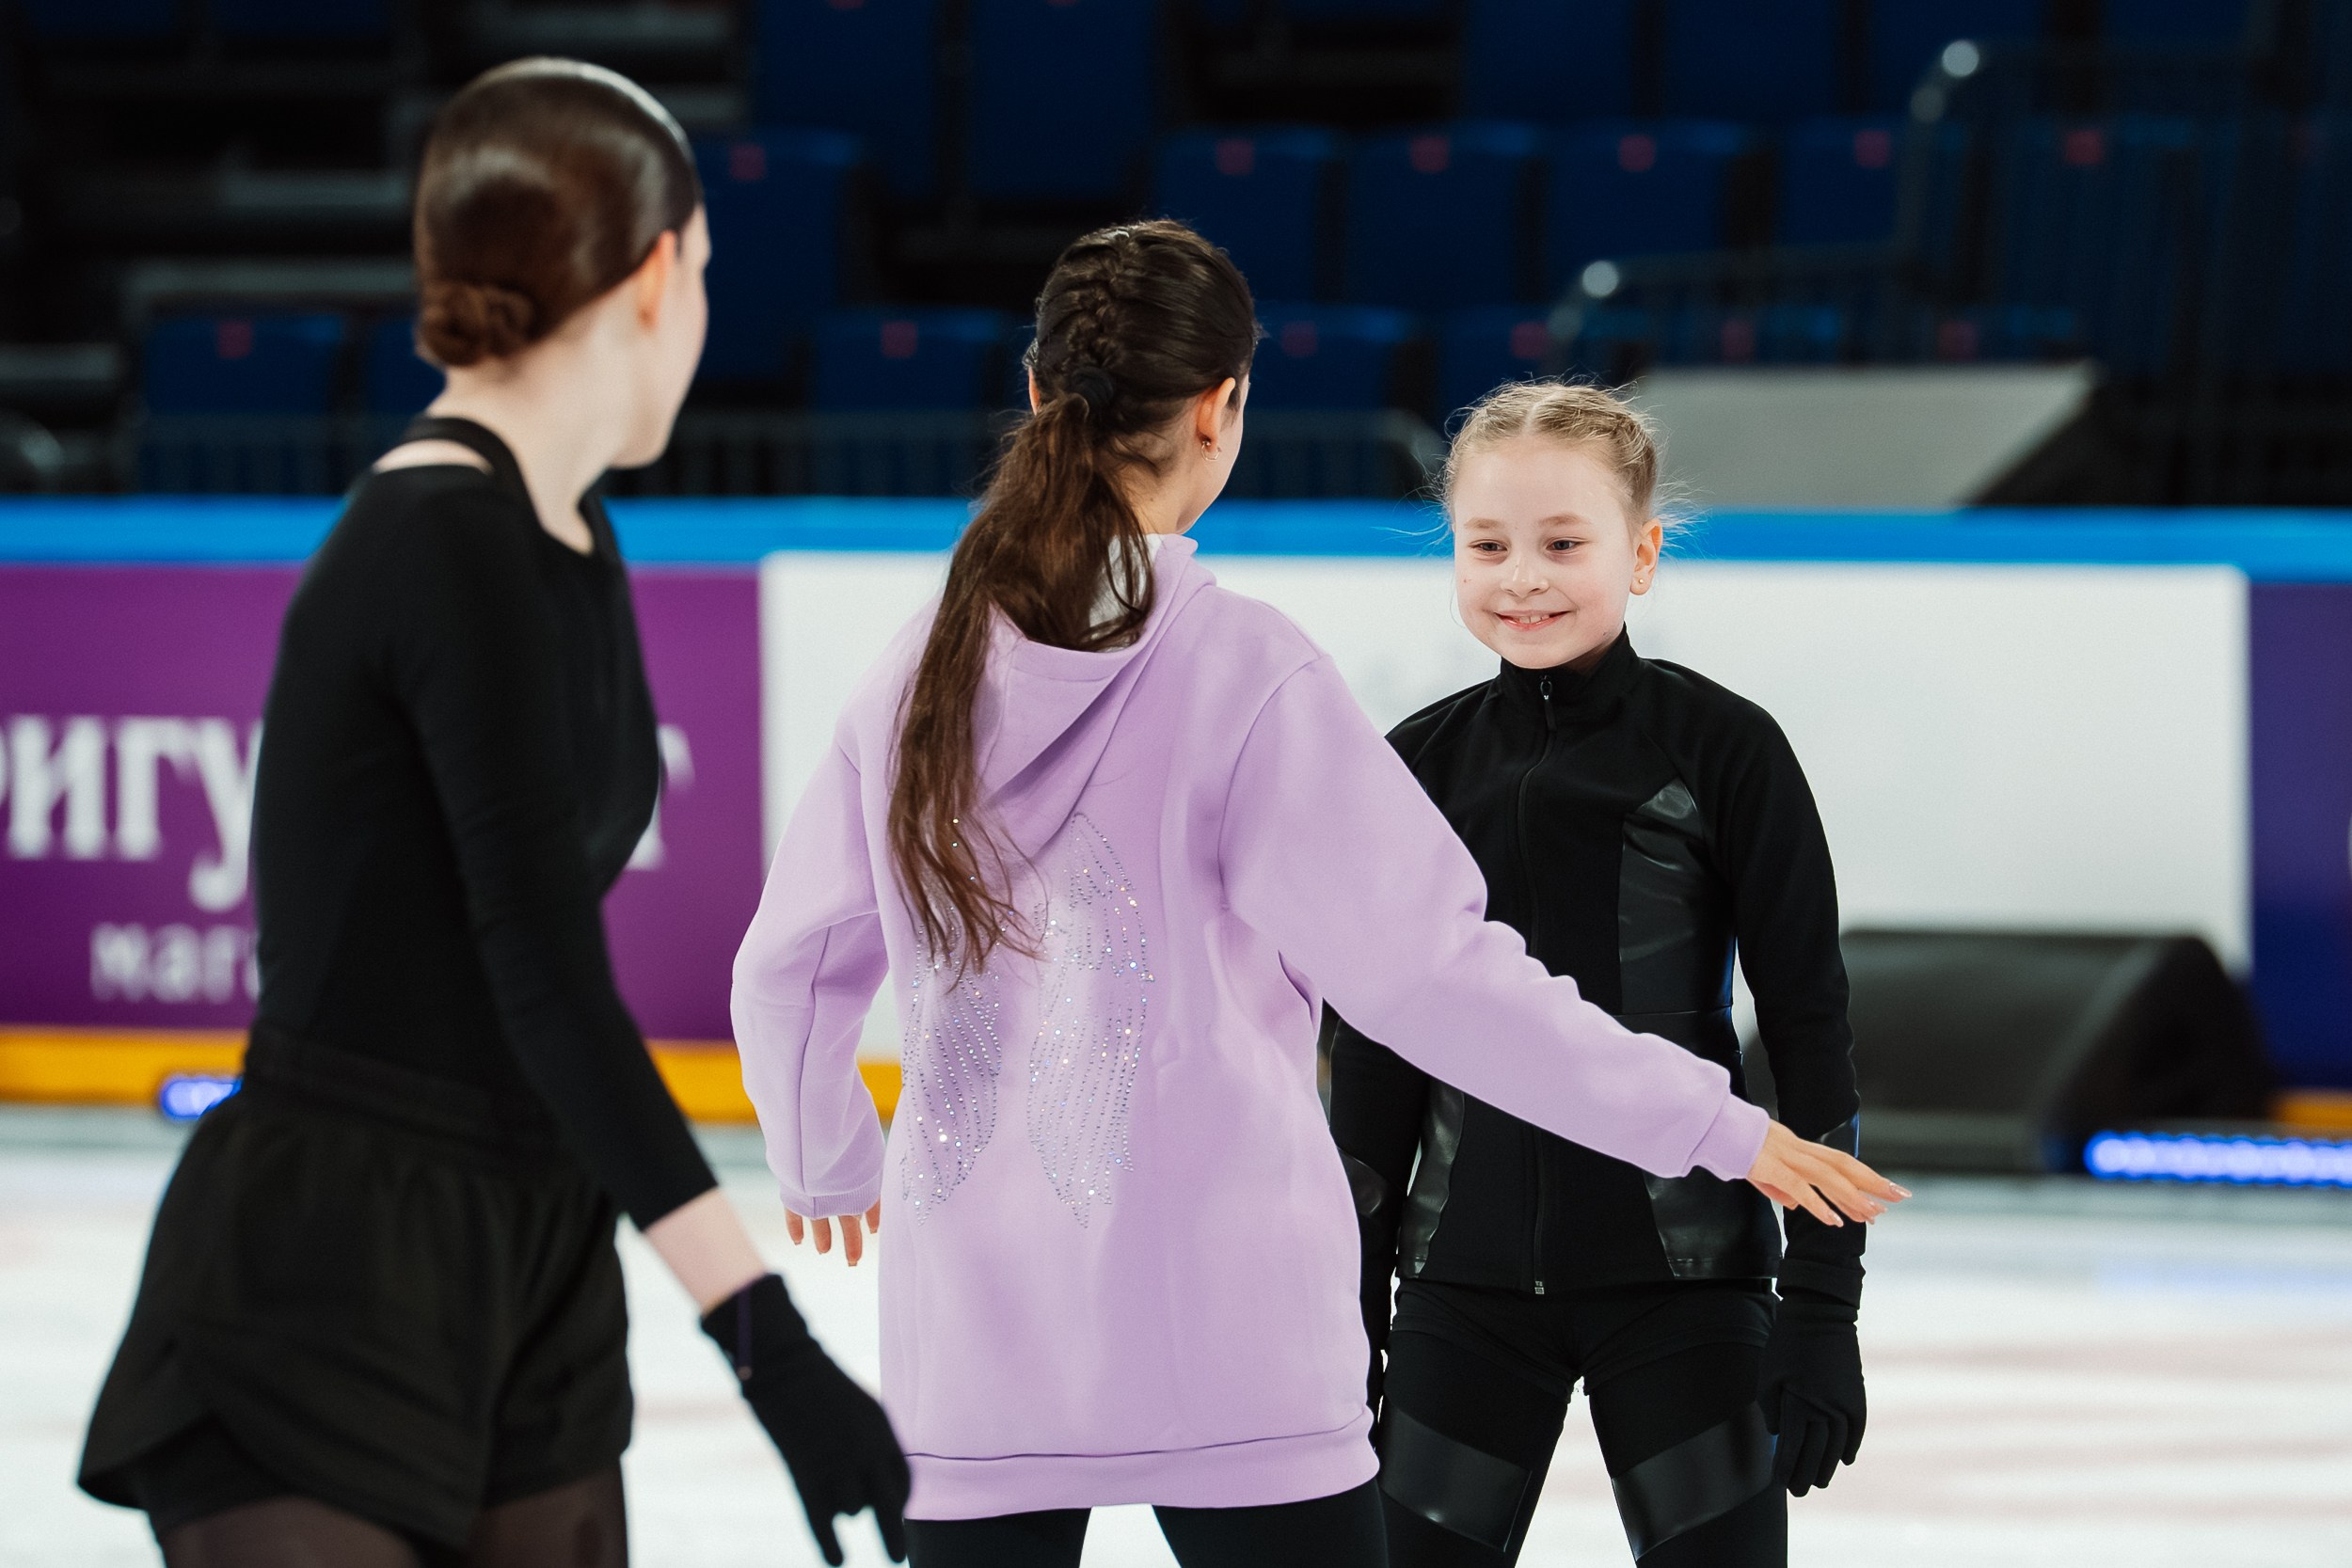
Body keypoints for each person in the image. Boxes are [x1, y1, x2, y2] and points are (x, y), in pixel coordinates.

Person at [728, 220, 1902, 1568]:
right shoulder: (1250, 673)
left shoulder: (914, 670)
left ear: (1043, 395)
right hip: (1239, 1347)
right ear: (1225, 407)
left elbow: (795, 960)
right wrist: (1713, 1121)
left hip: (977, 1349)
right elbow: (1436, 983)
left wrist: (822, 1145)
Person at [78, 59, 906, 1568]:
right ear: (656, 274)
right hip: (328, 1267)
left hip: (534, 1263)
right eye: (706, 269)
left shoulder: (576, 530)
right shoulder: (437, 537)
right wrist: (769, 1342)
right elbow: (539, 969)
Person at [1326, 381, 1871, 1567]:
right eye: (1488, 544)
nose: (1522, 575)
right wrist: (1347, 1317)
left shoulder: (1726, 748)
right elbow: (1369, 1062)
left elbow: (1811, 1028)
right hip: (1459, 1292)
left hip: (1685, 1290)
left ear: (1642, 554)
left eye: (1563, 543)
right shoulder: (1407, 766)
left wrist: (1824, 1303)